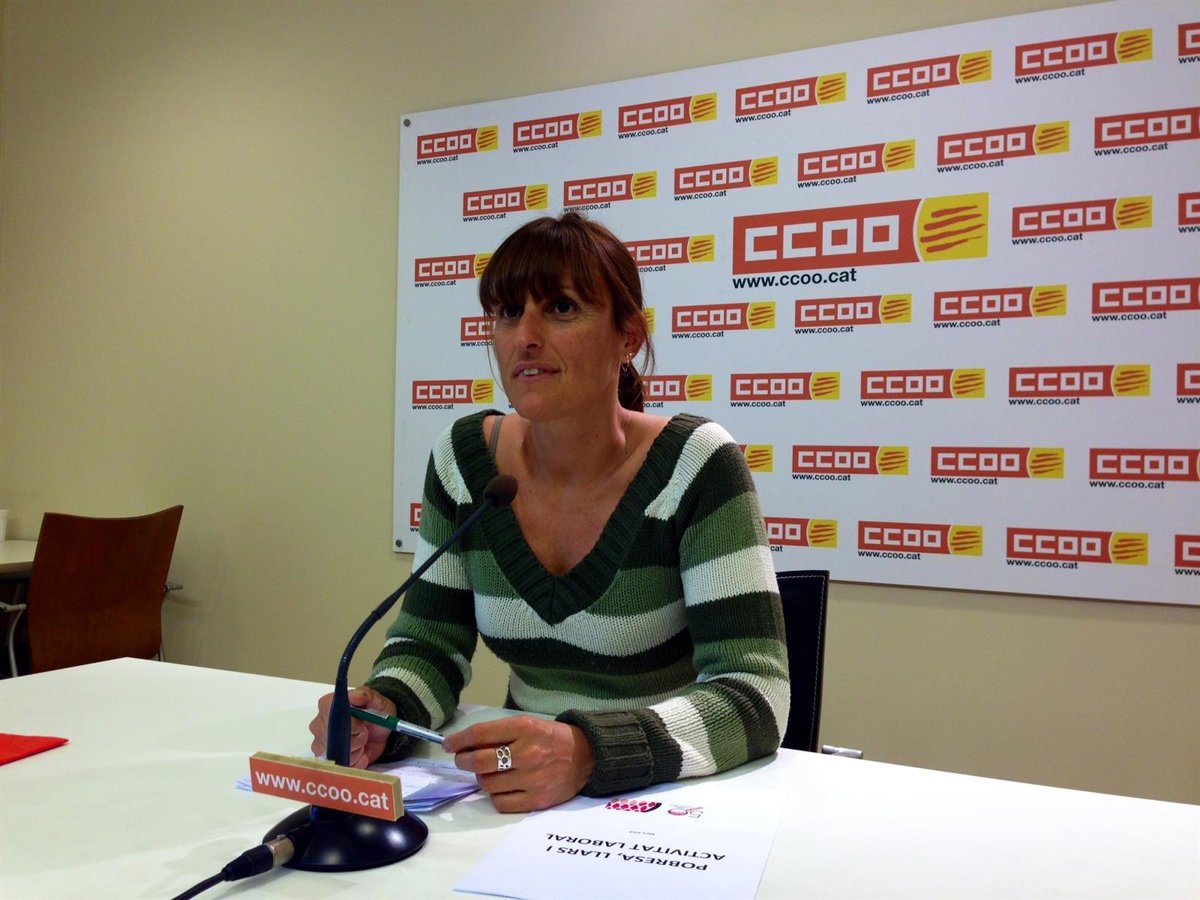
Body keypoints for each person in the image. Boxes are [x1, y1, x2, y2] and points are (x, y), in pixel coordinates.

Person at [310, 212, 788, 812]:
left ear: (628, 336)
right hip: (519, 790)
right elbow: (430, 645)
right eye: (509, 312)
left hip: (670, 796)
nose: (525, 336)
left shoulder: (697, 464)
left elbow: (755, 692)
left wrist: (587, 752)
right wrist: (387, 709)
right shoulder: (463, 460)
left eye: (561, 308)